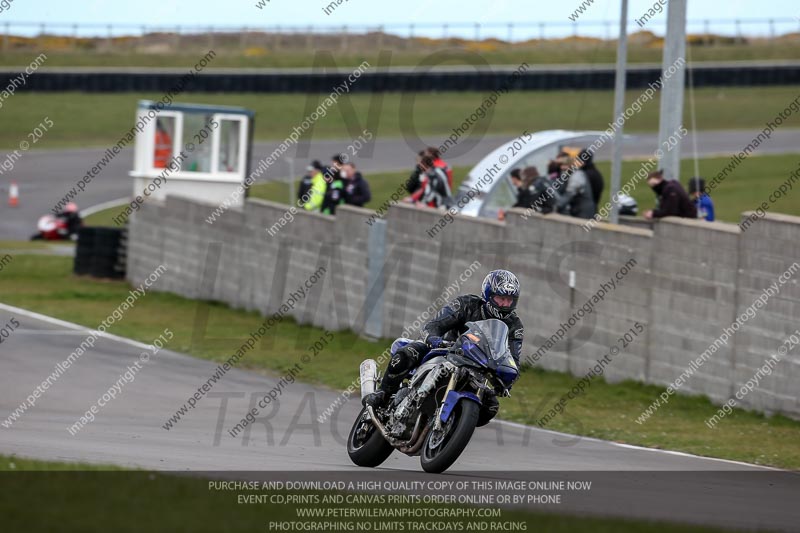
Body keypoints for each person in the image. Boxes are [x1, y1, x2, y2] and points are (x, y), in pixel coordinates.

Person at [363, 269, 524, 426]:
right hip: (445, 351)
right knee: (406, 354)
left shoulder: (515, 326)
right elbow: (434, 325)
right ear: (488, 295)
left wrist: (506, 379)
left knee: (490, 407)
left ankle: (453, 425)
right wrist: (434, 339)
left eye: (509, 300)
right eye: (500, 298)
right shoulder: (466, 304)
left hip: (479, 368)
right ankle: (382, 394)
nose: (505, 304)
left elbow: (513, 361)